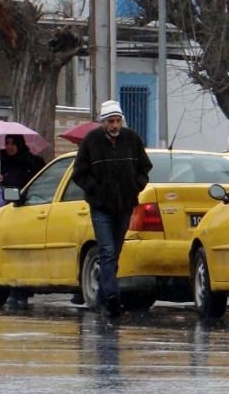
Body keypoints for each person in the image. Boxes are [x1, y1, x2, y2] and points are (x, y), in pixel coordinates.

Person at [71, 100, 152, 317]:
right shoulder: (91, 141)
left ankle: (101, 298)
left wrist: (135, 187)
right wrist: (96, 192)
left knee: (114, 253)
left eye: (117, 120)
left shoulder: (132, 139)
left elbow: (144, 168)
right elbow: (79, 173)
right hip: (101, 208)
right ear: (103, 122)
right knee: (106, 251)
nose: (115, 125)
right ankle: (113, 299)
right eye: (110, 121)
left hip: (124, 206)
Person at [0, 134, 46, 308]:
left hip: (28, 209)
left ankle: (22, 291)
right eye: (7, 143)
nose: (10, 147)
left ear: (20, 144)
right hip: (2, 211)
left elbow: (39, 183)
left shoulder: (32, 161)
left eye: (13, 143)